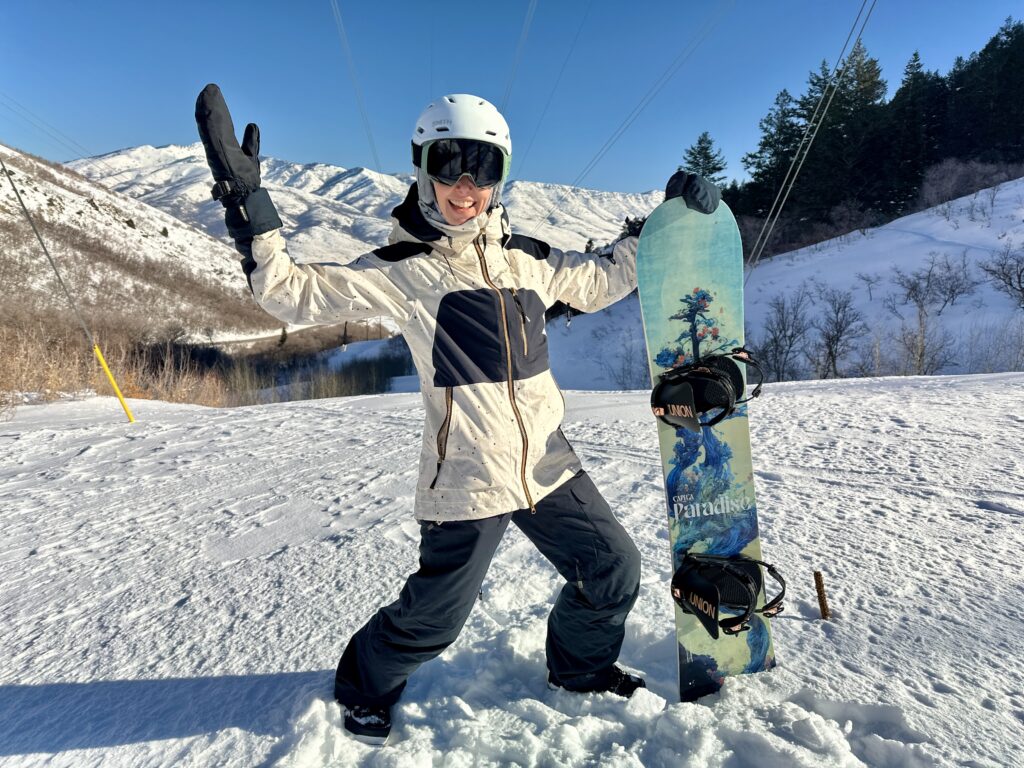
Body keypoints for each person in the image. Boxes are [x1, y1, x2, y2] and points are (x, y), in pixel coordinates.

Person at [195, 85, 720, 744]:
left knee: (613, 568)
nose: (465, 183)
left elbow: (599, 279)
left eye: (484, 166)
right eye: (449, 162)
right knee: (435, 620)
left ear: (501, 177)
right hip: (467, 477)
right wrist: (250, 208)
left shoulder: (527, 257)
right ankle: (363, 683)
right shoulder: (404, 268)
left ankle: (578, 669)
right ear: (423, 168)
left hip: (545, 462)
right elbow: (289, 293)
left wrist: (661, 224)